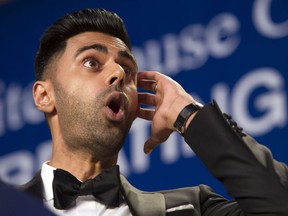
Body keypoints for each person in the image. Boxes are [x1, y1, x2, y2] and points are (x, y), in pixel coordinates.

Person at [19, 8, 288, 216]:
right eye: (92, 62)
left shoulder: (190, 209)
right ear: (45, 96)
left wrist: (187, 114)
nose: (118, 73)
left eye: (127, 68)